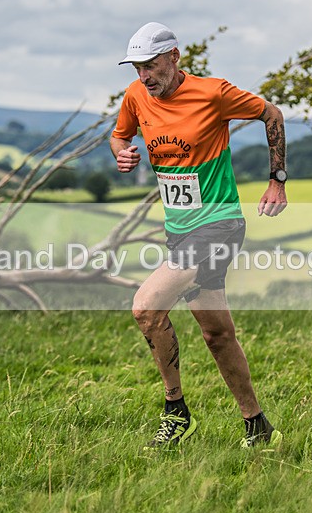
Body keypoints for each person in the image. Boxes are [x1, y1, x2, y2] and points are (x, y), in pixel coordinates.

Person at [109, 22, 288, 448]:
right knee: (216, 334)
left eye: (151, 66)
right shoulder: (137, 96)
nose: (144, 76)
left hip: (219, 225)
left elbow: (272, 113)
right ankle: (258, 426)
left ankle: (176, 411)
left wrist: (277, 179)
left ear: (174, 57)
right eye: (137, 68)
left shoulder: (214, 93)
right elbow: (118, 136)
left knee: (146, 308)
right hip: (180, 230)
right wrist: (123, 155)